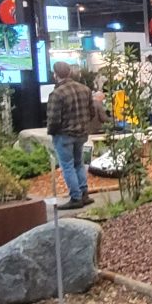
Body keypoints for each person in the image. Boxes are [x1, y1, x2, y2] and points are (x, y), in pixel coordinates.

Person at [47, 61, 96, 210]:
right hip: (81, 134)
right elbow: (92, 112)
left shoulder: (57, 93)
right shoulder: (85, 89)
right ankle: (84, 193)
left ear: (55, 74)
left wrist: (52, 132)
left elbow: (53, 119)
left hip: (64, 135)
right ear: (69, 72)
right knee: (78, 163)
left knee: (67, 166)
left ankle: (75, 197)